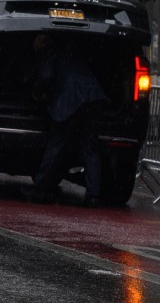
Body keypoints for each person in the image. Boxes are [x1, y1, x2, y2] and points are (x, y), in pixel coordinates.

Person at [29, 34, 107, 207]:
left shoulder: (47, 52)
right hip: (93, 97)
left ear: (40, 43)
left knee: (56, 145)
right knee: (90, 147)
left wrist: (37, 93)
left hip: (69, 100)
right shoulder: (71, 52)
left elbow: (46, 76)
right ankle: (94, 195)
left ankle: (39, 189)